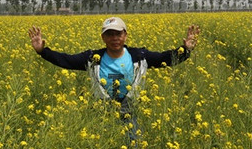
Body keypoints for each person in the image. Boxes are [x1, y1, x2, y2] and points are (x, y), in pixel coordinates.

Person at [27, 17, 200, 127]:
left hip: (129, 110)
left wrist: (185, 50)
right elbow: (67, 61)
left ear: (125, 35)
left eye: (118, 34)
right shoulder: (93, 58)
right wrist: (43, 51)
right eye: (109, 34)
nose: (114, 38)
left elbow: (167, 58)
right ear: (103, 37)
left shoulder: (139, 56)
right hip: (102, 111)